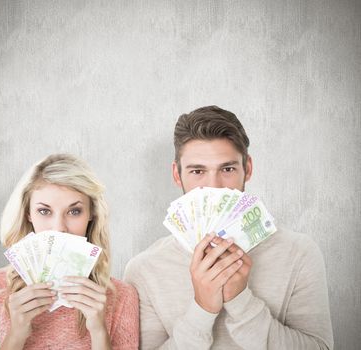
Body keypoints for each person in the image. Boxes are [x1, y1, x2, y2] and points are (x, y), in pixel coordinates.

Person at [124, 106, 333, 349]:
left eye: (227, 169)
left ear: (248, 168)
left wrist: (240, 300)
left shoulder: (299, 253)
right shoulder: (144, 269)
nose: (214, 187)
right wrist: (202, 308)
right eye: (198, 171)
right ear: (177, 175)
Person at [0, 154, 139, 350]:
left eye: (74, 211)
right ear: (28, 213)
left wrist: (99, 332)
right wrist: (16, 334)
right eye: (44, 211)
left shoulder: (122, 297)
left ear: (92, 214)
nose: (59, 228)